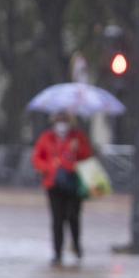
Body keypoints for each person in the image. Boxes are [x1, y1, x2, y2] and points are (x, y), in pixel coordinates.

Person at [32, 113, 93, 265]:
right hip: (53, 184)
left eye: (64, 121)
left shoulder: (78, 137)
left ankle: (76, 246)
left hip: (73, 182)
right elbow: (38, 158)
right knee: (57, 219)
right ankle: (57, 252)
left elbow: (87, 156)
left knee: (73, 216)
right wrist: (48, 167)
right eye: (59, 121)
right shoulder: (47, 137)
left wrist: (76, 150)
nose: (62, 124)